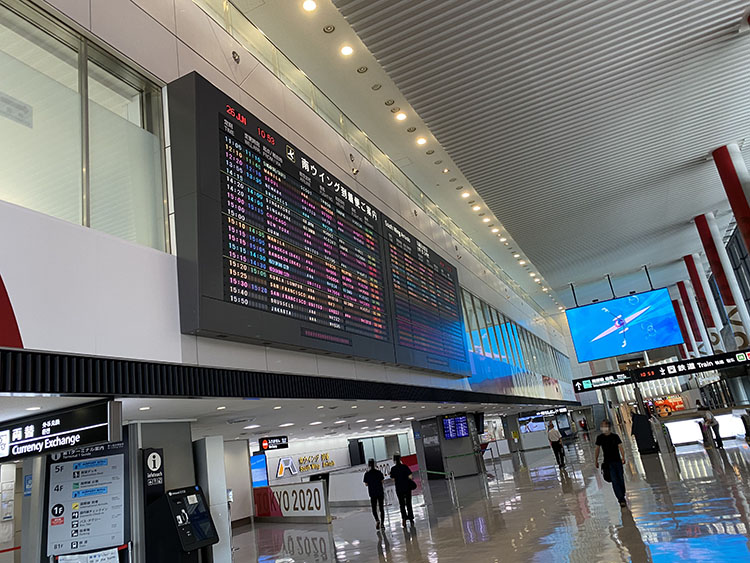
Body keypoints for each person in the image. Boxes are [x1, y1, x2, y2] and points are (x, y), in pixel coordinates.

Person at [594, 419, 627, 507]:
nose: (602, 428)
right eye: (602, 426)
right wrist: (596, 460)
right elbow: (597, 449)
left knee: (621, 479)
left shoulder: (615, 437)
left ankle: (622, 494)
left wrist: (623, 457)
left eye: (604, 426)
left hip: (617, 461)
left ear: (608, 427)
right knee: (614, 481)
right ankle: (621, 499)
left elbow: (620, 447)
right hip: (608, 463)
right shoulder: (600, 438)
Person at [389, 454, 414, 527]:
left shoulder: (393, 469)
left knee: (402, 504)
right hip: (407, 487)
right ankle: (411, 518)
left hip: (399, 488)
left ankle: (404, 518)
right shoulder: (405, 467)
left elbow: (393, 479)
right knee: (408, 503)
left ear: (394, 460)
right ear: (400, 459)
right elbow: (410, 476)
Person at [363, 458, 385, 529]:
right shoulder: (379, 472)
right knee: (381, 508)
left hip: (372, 493)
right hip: (380, 492)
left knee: (374, 508)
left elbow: (366, 484)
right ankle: (382, 524)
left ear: (369, 464)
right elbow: (382, 481)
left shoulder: (367, 474)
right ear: (375, 464)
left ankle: (377, 520)